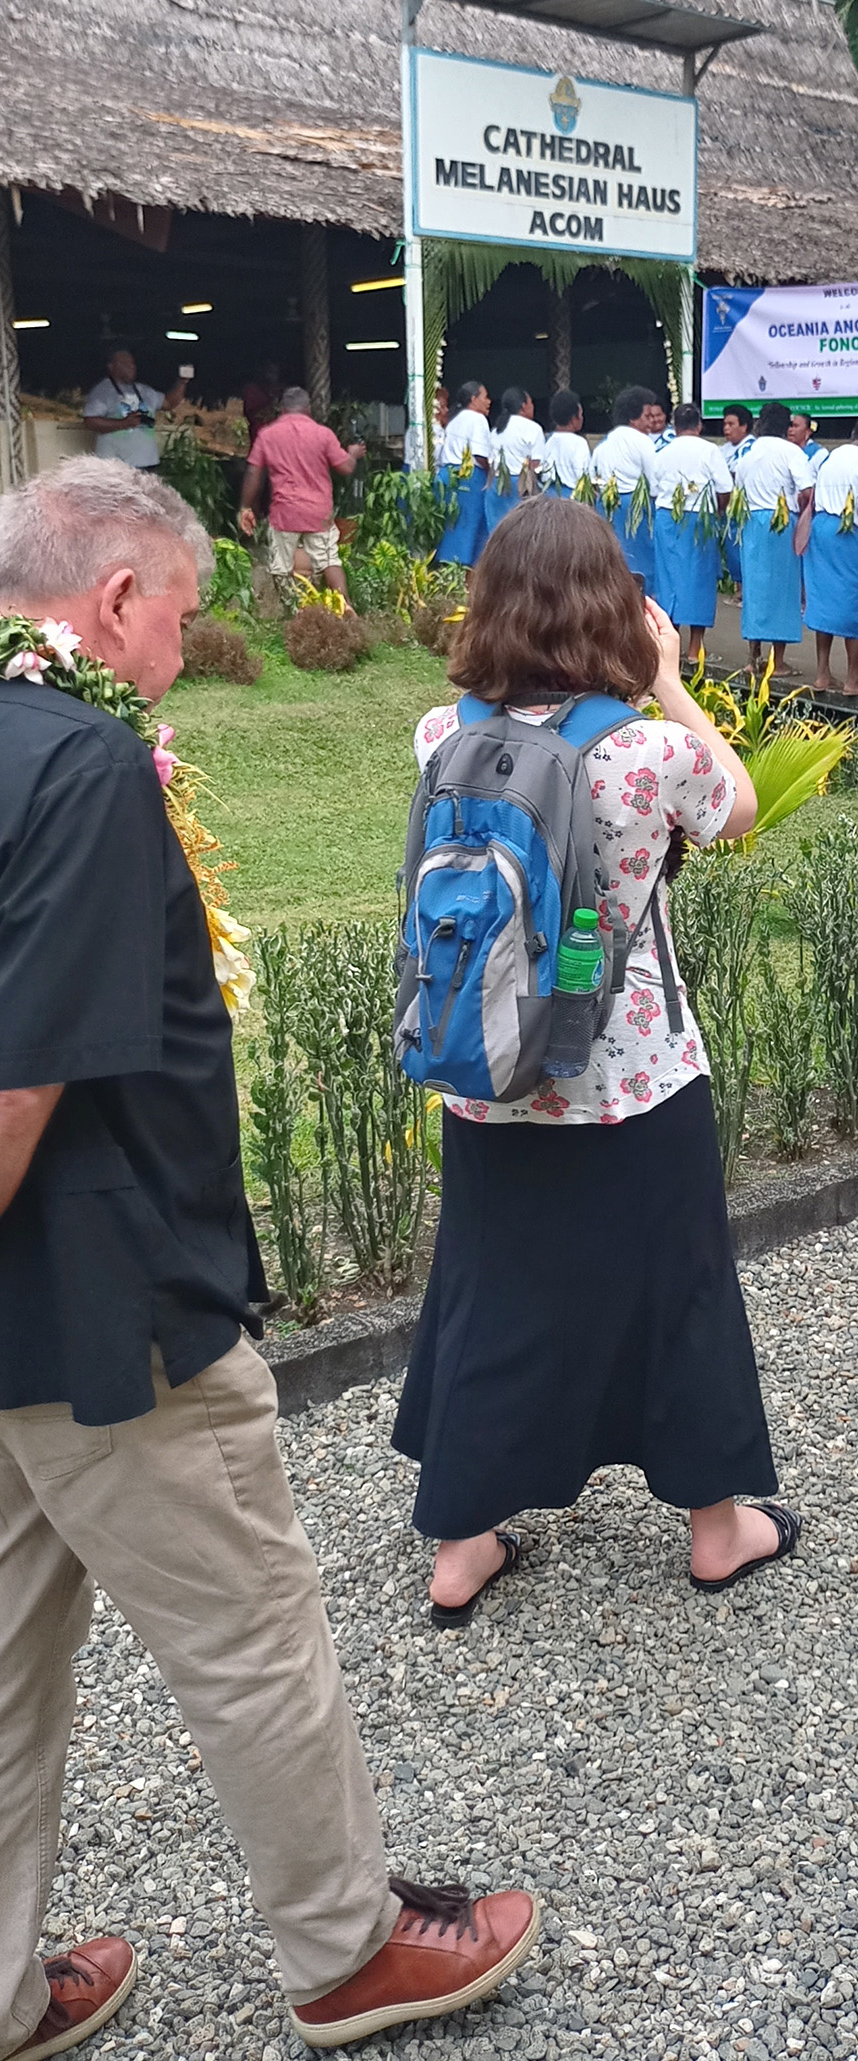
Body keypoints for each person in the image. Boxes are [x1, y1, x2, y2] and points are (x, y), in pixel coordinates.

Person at [0, 457, 539, 2059]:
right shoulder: (85, 767)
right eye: (184, 616)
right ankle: (345, 1949)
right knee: (253, 1628)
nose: (184, 650)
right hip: (107, 1311)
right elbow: (25, 1058)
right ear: (117, 597)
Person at [392, 496, 799, 1630]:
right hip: (634, 1079)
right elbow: (742, 812)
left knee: (491, 1290)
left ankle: (463, 1542)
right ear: (615, 605)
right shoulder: (650, 750)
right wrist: (668, 676)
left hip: (488, 1064)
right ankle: (719, 1530)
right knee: (681, 1292)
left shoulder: (440, 734)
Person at [239, 386, 364, 609]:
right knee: (329, 561)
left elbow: (253, 472)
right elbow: (345, 467)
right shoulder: (322, 434)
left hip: (284, 514)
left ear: (282, 409)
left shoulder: (267, 435)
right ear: (308, 409)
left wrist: (246, 507)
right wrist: (353, 454)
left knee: (281, 568)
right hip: (319, 513)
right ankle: (345, 608)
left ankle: (294, 610)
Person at [733, 401, 815, 675]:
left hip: (751, 521)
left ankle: (752, 657)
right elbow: (806, 490)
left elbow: (738, 485)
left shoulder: (747, 450)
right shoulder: (791, 451)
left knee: (755, 588)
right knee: (782, 589)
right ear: (785, 426)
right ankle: (777, 662)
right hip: (780, 523)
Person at [651, 402, 733, 665]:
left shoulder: (662, 451)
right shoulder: (710, 450)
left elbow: (654, 488)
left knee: (669, 577)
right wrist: (717, 512)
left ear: (674, 426)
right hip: (700, 517)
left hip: (667, 517)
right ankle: (695, 647)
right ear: (699, 425)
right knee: (699, 577)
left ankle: (671, 641)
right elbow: (725, 488)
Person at [804, 424, 858, 695]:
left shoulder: (831, 457)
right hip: (848, 531)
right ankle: (853, 680)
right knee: (853, 602)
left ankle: (822, 674)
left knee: (824, 600)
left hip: (821, 528)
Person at [591, 385, 659, 591]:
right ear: (633, 418)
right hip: (636, 507)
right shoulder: (643, 442)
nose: (651, 422)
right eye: (647, 416)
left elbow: (593, 478)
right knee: (641, 560)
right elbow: (654, 482)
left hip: (606, 505)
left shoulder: (603, 444)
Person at [83, 346, 188, 469]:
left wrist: (182, 382)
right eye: (125, 363)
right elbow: (90, 421)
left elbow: (169, 403)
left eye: (132, 363)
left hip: (148, 463)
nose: (131, 366)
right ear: (111, 366)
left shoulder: (143, 390)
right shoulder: (103, 391)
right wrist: (124, 423)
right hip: (115, 466)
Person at [435, 377, 492, 568]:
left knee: (451, 525)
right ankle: (464, 569)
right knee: (469, 524)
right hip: (468, 477)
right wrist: (492, 473)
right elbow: (480, 454)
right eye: (485, 396)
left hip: (446, 474)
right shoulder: (478, 419)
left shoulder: (454, 420)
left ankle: (446, 568)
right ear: (474, 399)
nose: (488, 401)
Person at [485, 387, 545, 532]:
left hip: (496, 487)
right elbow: (536, 464)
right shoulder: (533, 428)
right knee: (521, 534)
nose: (532, 407)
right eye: (531, 403)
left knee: (496, 534)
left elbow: (490, 460)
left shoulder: (496, 430)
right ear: (524, 406)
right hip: (521, 487)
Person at [720, 404, 755, 590]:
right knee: (731, 549)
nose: (726, 428)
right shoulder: (723, 449)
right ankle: (739, 588)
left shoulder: (750, 447)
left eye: (731, 424)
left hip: (743, 507)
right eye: (725, 424)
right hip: (727, 507)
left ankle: (746, 590)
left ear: (744, 426)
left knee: (742, 548)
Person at [540, 389, 592, 500]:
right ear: (573, 419)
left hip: (548, 497)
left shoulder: (549, 441)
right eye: (581, 414)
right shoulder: (579, 443)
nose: (582, 418)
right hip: (571, 499)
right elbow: (583, 476)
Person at [242, 358, 282, 447]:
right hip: (260, 431)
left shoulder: (280, 390)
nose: (272, 376)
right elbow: (251, 414)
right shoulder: (252, 390)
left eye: (275, 373)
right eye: (270, 372)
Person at [789, 411, 828, 479]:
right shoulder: (784, 451)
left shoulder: (819, 454)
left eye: (795, 426)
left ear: (808, 431)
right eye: (789, 426)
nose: (790, 430)